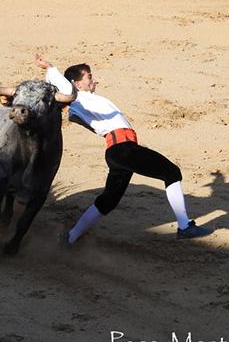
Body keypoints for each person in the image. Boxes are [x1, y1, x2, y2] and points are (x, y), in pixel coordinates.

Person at [34, 53, 212, 245]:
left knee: (108, 201)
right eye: (89, 77)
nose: (94, 80)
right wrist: (50, 67)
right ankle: (184, 226)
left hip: (118, 152)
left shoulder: (85, 102)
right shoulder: (78, 98)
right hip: (123, 149)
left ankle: (70, 238)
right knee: (171, 172)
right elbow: (63, 84)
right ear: (77, 84)